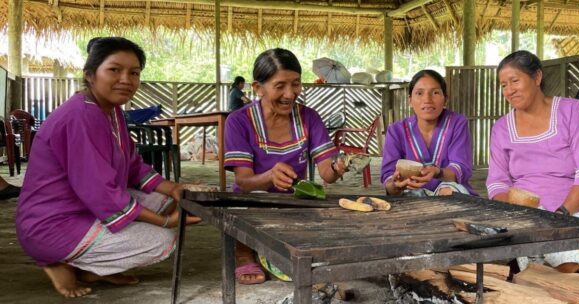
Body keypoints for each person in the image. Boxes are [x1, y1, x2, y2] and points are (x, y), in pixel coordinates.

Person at [15, 37, 200, 298]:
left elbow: (133, 166)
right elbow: (102, 192)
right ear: (90, 75)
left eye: (134, 73)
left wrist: (174, 188)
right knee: (162, 239)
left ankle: (94, 268)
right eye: (114, 70)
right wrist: (165, 222)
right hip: (51, 224)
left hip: (80, 206)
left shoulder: (110, 111)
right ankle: (57, 261)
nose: (126, 79)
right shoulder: (80, 116)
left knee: (164, 199)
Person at [223, 48, 347, 284]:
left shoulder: (309, 117)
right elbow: (243, 182)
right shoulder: (238, 121)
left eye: (296, 84)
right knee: (247, 203)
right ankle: (243, 251)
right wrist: (269, 177)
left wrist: (337, 166)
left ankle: (275, 247)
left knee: (328, 215)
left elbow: (326, 175)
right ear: (258, 88)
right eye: (280, 86)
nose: (290, 94)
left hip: (292, 203)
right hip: (253, 204)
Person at [485, 50, 579, 274]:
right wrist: (516, 214)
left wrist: (559, 215)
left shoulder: (572, 111)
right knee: (530, 276)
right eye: (503, 85)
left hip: (573, 214)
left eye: (514, 81)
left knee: (565, 268)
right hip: (525, 219)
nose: (508, 90)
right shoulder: (501, 127)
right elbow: (497, 182)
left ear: (537, 77)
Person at [380, 70, 476, 196]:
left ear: (445, 99)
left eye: (435, 92)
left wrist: (438, 172)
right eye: (419, 93)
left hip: (447, 190)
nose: (427, 99)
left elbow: (461, 167)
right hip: (411, 192)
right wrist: (395, 184)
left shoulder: (457, 124)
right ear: (410, 100)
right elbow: (388, 177)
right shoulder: (396, 131)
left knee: (450, 193)